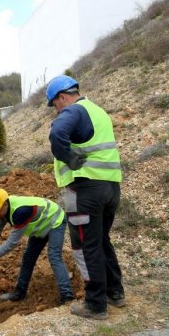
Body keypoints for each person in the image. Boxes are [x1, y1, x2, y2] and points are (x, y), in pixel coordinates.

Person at [46, 75, 125, 320]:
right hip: (111, 187)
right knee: (101, 240)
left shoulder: (73, 111)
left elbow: (57, 133)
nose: (56, 109)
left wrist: (68, 158)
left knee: (85, 247)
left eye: (54, 104)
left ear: (62, 96)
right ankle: (115, 293)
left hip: (86, 191)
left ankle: (95, 305)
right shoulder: (98, 111)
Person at [0, 188, 74, 305]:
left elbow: (12, 243)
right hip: (40, 227)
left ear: (4, 204)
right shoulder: (3, 209)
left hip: (55, 220)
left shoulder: (20, 211)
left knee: (54, 256)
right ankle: (20, 292)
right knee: (28, 257)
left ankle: (67, 296)